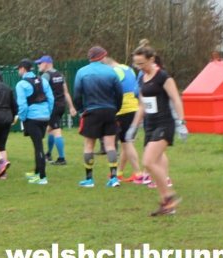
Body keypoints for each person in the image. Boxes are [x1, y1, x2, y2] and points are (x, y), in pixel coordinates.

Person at [124, 45, 187, 216]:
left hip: (164, 123)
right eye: (136, 64)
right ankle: (167, 205)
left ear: (152, 59)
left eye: (142, 63)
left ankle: (170, 196)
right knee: (155, 164)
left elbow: (176, 99)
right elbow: (142, 105)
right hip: (150, 125)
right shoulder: (143, 78)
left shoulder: (163, 77)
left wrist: (181, 123)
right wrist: (134, 127)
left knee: (148, 162)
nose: (139, 67)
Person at [72, 46, 124, 188]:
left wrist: (81, 110)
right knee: (110, 145)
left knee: (89, 145)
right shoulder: (112, 71)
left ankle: (89, 179)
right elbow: (119, 94)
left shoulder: (81, 72)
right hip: (109, 111)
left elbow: (77, 94)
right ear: (102, 57)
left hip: (91, 111)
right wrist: (116, 109)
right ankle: (113, 178)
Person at [15, 60, 56, 186]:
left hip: (32, 118)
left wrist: (23, 118)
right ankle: (37, 172)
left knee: (38, 147)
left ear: (23, 69)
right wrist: (47, 113)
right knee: (37, 144)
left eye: (19, 69)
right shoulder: (43, 80)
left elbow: (22, 105)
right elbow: (51, 99)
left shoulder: (21, 84)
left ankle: (42, 177)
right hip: (44, 117)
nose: (18, 71)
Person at [106, 54, 142, 186]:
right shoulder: (127, 68)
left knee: (127, 142)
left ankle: (138, 174)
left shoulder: (114, 71)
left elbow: (113, 90)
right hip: (134, 106)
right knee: (125, 142)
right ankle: (119, 173)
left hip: (124, 109)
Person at [37, 55, 77, 165]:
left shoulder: (46, 76)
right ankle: (48, 154)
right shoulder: (60, 74)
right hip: (61, 106)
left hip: (52, 107)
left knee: (56, 130)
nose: (38, 65)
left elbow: (40, 92)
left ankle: (61, 158)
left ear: (46, 63)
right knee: (51, 130)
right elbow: (66, 92)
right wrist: (71, 107)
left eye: (40, 63)